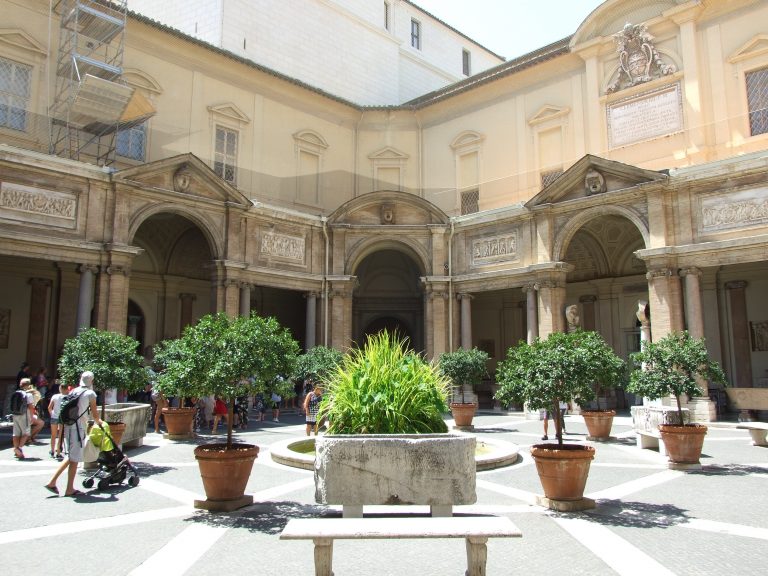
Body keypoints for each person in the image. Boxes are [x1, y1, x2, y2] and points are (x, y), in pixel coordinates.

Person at [45, 371, 102, 497]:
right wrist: (100, 423)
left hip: (68, 425)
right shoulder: (90, 393)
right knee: (74, 458)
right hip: (78, 427)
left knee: (71, 456)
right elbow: (95, 413)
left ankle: (53, 482)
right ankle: (69, 488)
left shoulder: (74, 391)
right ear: (91, 381)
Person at [11, 378, 35, 459]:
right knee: (26, 433)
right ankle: (19, 448)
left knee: (16, 433)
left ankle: (15, 449)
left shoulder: (16, 392)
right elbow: (31, 407)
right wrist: (31, 417)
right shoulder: (29, 395)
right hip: (24, 415)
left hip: (15, 414)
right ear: (28, 385)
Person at [47, 382, 66, 459]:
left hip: (54, 417)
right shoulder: (67, 397)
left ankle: (52, 450)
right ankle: (58, 452)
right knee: (61, 435)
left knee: (53, 435)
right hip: (62, 417)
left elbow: (49, 407)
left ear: (60, 388)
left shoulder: (54, 396)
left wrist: (52, 414)